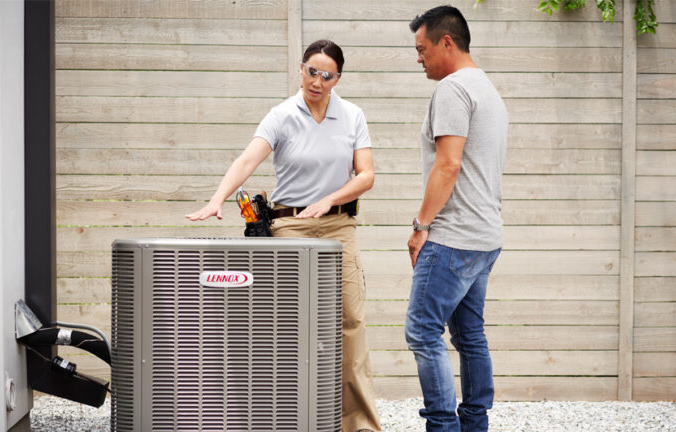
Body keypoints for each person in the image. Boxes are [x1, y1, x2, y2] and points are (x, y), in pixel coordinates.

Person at [185, 39, 381, 432]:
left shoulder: (353, 115)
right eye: (312, 71)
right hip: (289, 227)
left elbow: (366, 175)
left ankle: (359, 425)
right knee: (283, 327)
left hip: (339, 228)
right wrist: (216, 198)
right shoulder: (281, 115)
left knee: (350, 325)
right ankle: (282, 416)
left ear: (337, 78)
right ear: (301, 69)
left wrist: (328, 201)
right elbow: (247, 159)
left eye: (327, 75)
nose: (317, 81)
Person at [404, 6, 508, 432]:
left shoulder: (452, 89)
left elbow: (448, 166)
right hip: (485, 237)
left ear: (447, 42)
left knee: (422, 333)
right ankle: (474, 424)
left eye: (422, 48)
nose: (419, 58)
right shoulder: (488, 89)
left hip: (452, 238)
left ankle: (443, 428)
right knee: (469, 335)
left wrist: (420, 225)